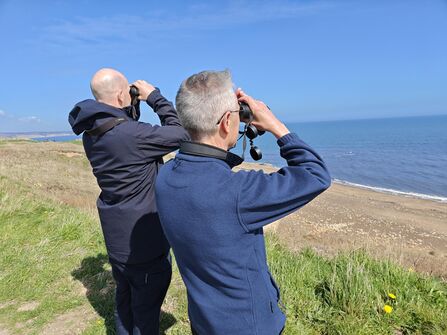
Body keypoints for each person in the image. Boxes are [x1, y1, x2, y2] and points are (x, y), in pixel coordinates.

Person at [155, 70, 331, 335]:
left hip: (204, 320)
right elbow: (315, 175)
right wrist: (274, 124)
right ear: (227, 122)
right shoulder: (236, 191)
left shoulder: (165, 176)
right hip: (250, 325)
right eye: (237, 113)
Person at [68, 68, 189, 334]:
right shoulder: (132, 135)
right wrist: (155, 97)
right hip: (143, 242)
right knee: (146, 314)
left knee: (125, 302)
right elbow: (182, 134)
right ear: (123, 93)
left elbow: (123, 127)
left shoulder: (92, 133)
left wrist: (131, 106)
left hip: (117, 237)